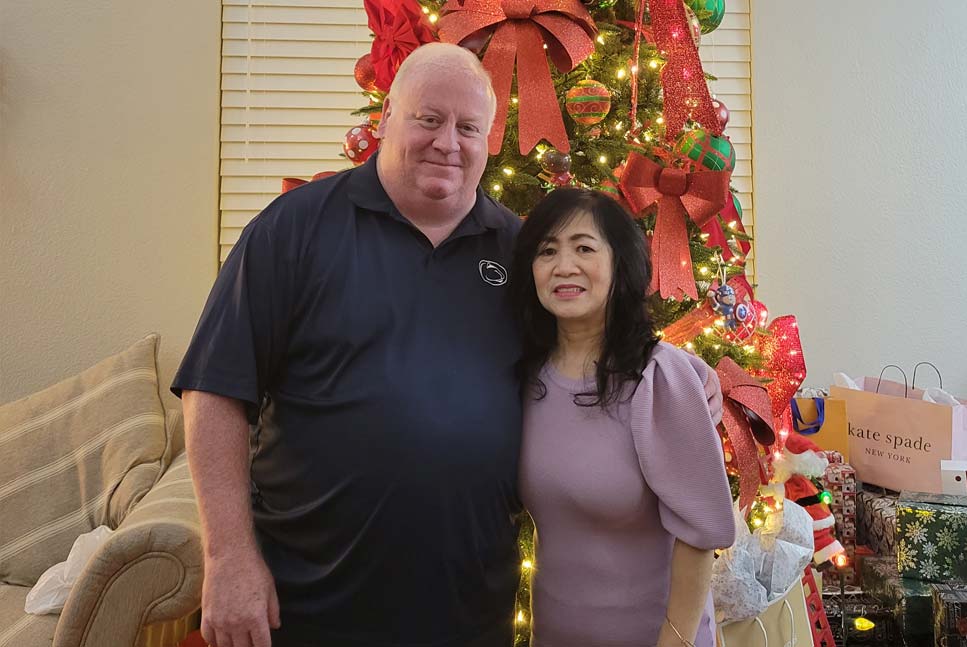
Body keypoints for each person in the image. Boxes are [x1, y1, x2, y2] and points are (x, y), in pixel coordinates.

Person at [174, 41, 722, 647]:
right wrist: (227, 556)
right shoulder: (291, 230)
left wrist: (675, 368)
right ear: (385, 119)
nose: (447, 142)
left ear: (489, 140)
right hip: (308, 602)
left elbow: (587, 344)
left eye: (468, 127)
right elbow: (214, 388)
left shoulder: (522, 254)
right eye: (428, 119)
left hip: (468, 611)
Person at [509, 187, 737, 647]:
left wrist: (674, 640)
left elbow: (700, 533)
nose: (563, 266)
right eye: (547, 251)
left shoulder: (660, 378)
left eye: (584, 248)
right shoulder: (524, 379)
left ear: (620, 264)